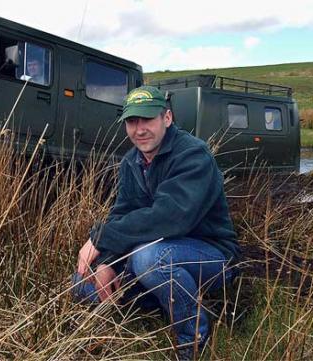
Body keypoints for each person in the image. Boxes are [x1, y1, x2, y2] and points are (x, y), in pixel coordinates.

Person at [72, 85, 241, 358]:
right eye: (132, 121)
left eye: (147, 119)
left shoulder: (193, 155)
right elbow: (122, 213)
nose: (139, 130)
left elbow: (171, 217)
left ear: (167, 118)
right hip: (157, 252)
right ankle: (162, 304)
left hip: (211, 255)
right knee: (80, 282)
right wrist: (106, 262)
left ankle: (192, 341)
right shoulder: (131, 161)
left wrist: (102, 237)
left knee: (149, 259)